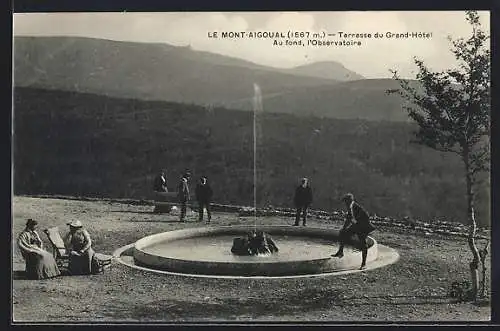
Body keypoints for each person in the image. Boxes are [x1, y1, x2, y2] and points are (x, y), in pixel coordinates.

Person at [331, 193, 376, 270]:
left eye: (346, 202)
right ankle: (340, 252)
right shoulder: (350, 206)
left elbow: (365, 217)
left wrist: (356, 225)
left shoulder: (356, 207)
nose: (345, 204)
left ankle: (363, 264)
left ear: (350, 201)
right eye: (345, 202)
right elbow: (349, 218)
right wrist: (344, 228)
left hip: (363, 227)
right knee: (343, 233)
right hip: (357, 225)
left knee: (363, 244)